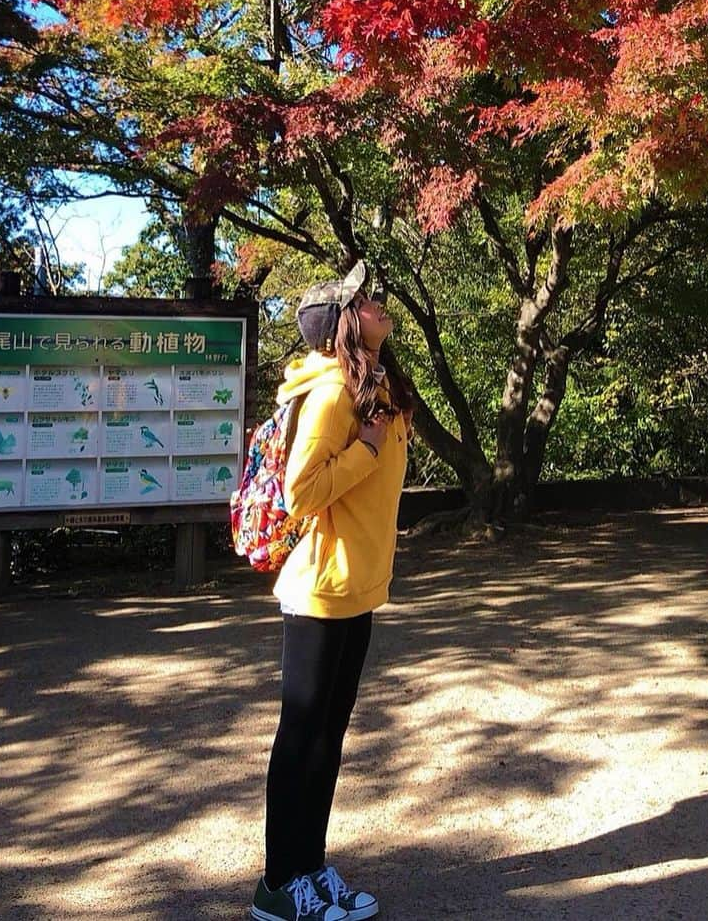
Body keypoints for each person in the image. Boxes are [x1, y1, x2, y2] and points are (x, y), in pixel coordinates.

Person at [253, 261, 413, 921]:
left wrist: (376, 438)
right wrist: (366, 450)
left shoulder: (375, 386)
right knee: (301, 737)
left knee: (328, 738)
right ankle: (277, 885)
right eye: (367, 300)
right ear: (348, 322)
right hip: (319, 590)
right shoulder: (332, 396)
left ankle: (311, 869)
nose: (379, 304)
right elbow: (301, 492)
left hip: (356, 587)